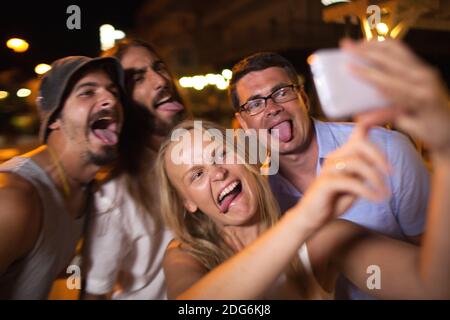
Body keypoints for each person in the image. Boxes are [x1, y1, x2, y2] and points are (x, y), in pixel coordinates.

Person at [157, 118, 449, 300]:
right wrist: (304, 219)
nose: (218, 172)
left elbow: (434, 286)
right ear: (188, 203)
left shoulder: (321, 239)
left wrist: (445, 150)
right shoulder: (184, 255)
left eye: (221, 154)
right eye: (196, 174)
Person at [228, 45, 430, 299]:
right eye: (255, 103)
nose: (272, 108)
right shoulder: (259, 196)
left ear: (303, 97)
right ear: (244, 123)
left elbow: (434, 257)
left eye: (281, 92)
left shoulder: (386, 149)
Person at [0, 56, 125, 299]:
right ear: (54, 118)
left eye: (114, 92)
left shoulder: (87, 191)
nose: (111, 99)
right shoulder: (13, 199)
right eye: (87, 92)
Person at [82, 39, 187, 300]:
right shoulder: (111, 195)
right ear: (121, 102)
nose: (161, 81)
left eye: (159, 67)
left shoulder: (203, 157)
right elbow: (94, 293)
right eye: (138, 78)